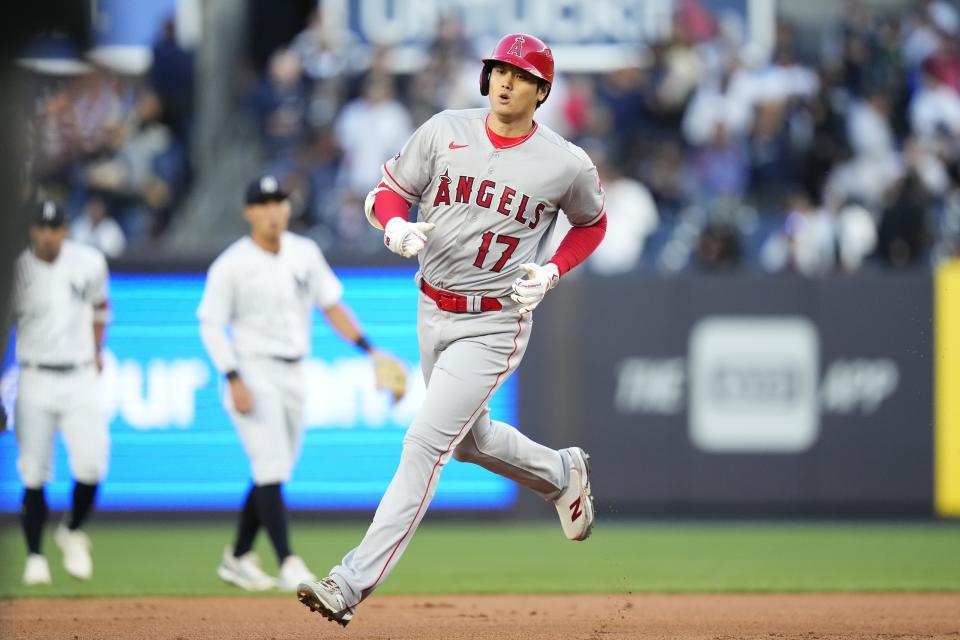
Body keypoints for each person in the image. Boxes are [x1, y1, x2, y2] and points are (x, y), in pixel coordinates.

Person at [296, 33, 608, 627]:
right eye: (496, 70)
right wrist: (394, 229)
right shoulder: (445, 129)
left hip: (495, 319)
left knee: (424, 448)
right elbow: (387, 192)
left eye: (519, 75)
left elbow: (591, 224)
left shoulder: (565, 162)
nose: (504, 81)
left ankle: (348, 584)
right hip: (431, 307)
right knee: (467, 441)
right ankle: (563, 473)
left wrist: (552, 269)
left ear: (542, 91)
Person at [197, 175, 408, 592]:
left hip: (294, 371)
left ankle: (238, 556)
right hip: (253, 371)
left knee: (271, 470)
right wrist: (232, 376)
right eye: (264, 203)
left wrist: (370, 350)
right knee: (271, 467)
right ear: (249, 212)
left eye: (280, 202)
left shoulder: (304, 253)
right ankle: (288, 560)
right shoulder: (232, 264)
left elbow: (331, 306)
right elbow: (210, 324)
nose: (274, 210)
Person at [4, 200, 111, 586]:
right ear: (32, 229)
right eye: (41, 227)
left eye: (55, 227)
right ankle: (34, 556)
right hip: (34, 375)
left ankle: (71, 529)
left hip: (80, 374)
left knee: (93, 463)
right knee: (33, 470)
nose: (48, 234)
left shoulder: (90, 262)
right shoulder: (16, 269)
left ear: (65, 229)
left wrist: (98, 351)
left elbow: (101, 307)